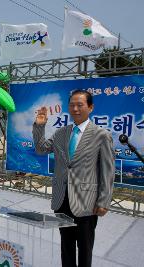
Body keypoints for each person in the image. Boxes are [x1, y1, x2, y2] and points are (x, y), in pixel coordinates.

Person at [32, 90, 115, 267]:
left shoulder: (101, 135)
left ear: (90, 107)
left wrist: (104, 200)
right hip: (63, 199)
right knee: (66, 246)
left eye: (80, 105)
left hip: (87, 202)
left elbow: (108, 171)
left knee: (85, 249)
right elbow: (40, 149)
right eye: (72, 105)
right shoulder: (61, 133)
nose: (75, 108)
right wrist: (39, 126)